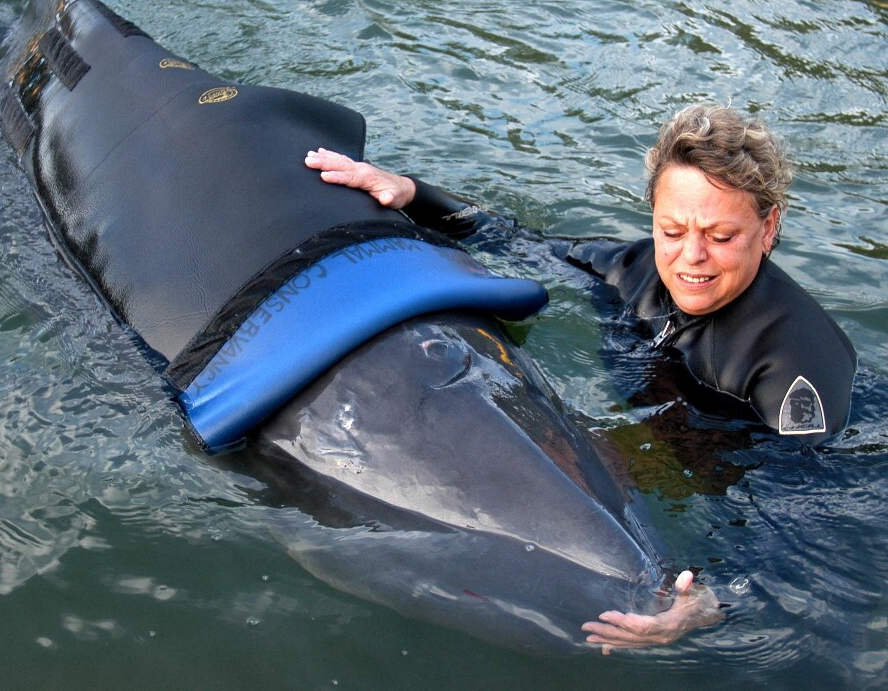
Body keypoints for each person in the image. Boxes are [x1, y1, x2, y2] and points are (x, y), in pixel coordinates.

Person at [305, 103, 858, 650]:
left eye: (721, 236)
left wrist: (717, 604)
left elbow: (803, 522)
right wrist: (408, 192)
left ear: (769, 226)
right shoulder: (635, 270)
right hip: (654, 437)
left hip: (729, 473)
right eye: (672, 229)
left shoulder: (796, 366)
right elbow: (517, 241)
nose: (692, 258)